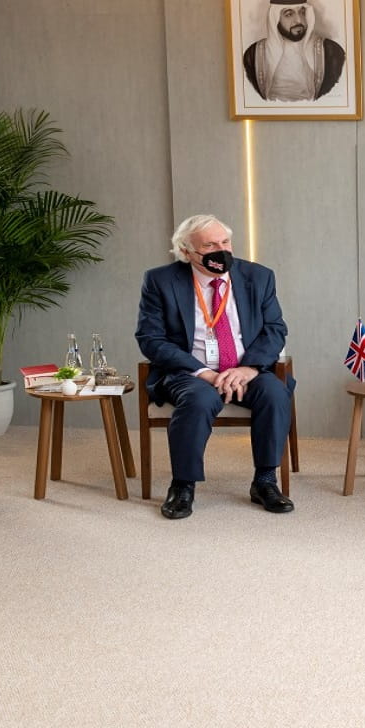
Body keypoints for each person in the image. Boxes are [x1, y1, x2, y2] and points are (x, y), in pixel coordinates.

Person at [135, 214, 293, 520]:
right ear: (186, 252)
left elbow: (275, 329)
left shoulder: (258, 277)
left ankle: (264, 481)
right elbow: (150, 338)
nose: (221, 250)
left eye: (225, 242)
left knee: (274, 393)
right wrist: (203, 372)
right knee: (198, 399)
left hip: (245, 369)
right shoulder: (160, 281)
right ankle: (183, 485)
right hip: (190, 371)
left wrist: (249, 369)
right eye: (209, 245)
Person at [241, 0, 346, 102]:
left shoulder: (331, 51)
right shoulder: (253, 55)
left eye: (302, 13)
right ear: (275, 20)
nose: (299, 20)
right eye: (289, 14)